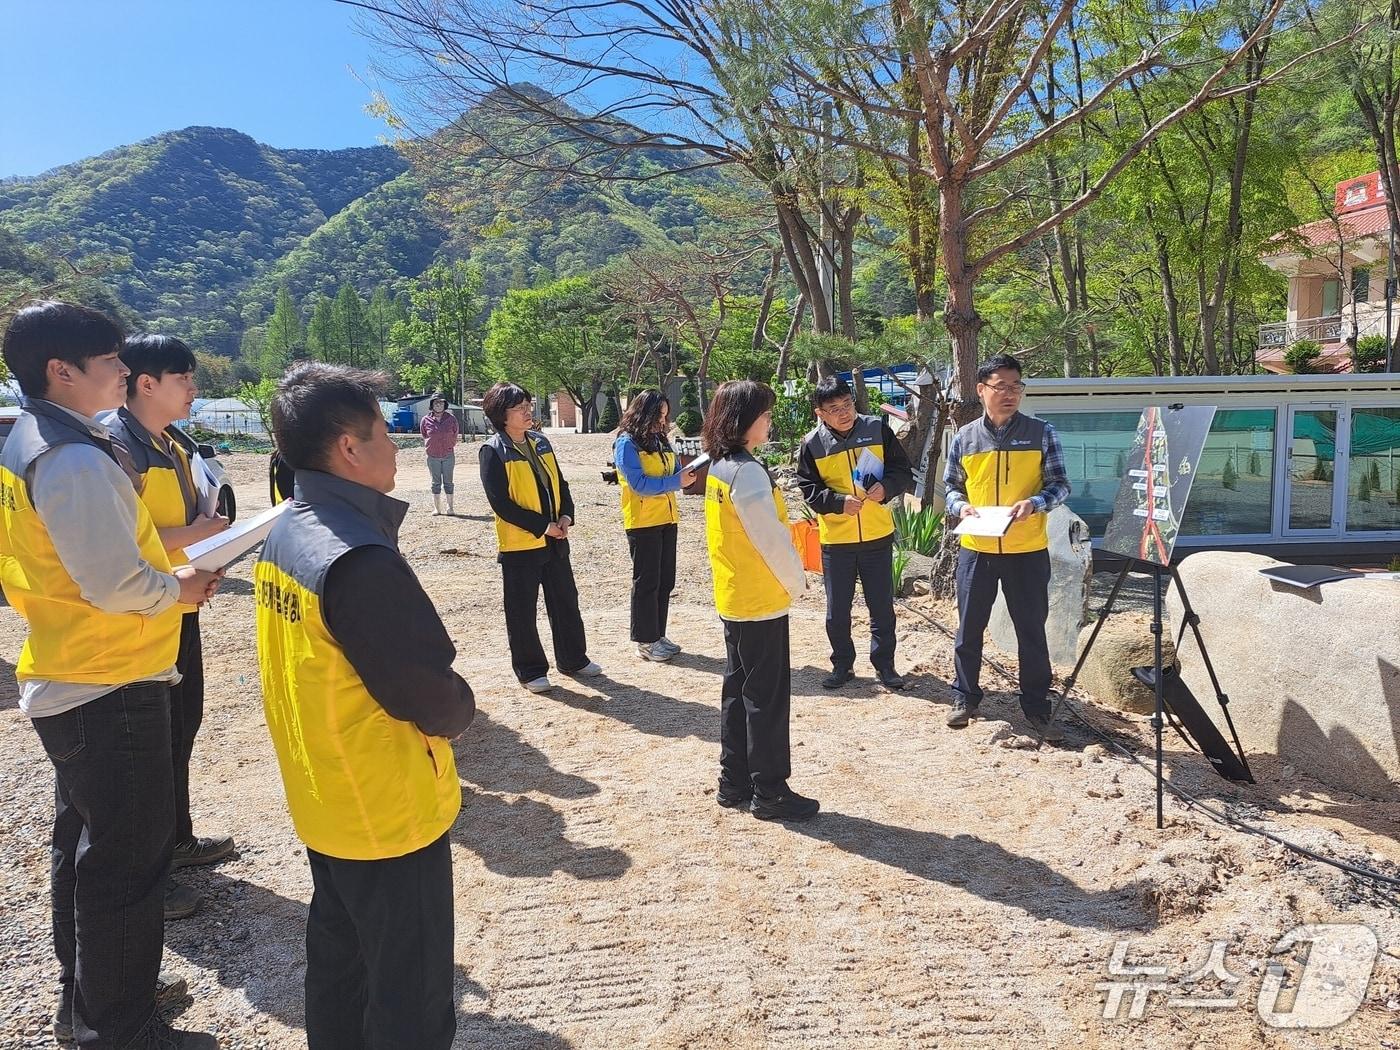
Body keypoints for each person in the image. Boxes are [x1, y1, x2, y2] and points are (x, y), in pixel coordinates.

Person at [0, 302, 221, 1049]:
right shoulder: (73, 457)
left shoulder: (36, 437)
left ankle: (93, 999)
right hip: (110, 679)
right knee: (126, 862)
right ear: (60, 371)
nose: (124, 374)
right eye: (111, 364)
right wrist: (179, 590)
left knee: (85, 850)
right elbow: (115, 582)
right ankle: (121, 1026)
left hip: (74, 669)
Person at [255, 362, 476, 1050]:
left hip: (327, 790)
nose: (397, 446)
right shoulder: (357, 557)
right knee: (409, 993)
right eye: (386, 432)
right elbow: (429, 695)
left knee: (342, 964)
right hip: (385, 806)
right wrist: (460, 709)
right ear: (350, 447)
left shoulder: (289, 527)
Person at [106, 334, 237, 926]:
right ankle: (149, 880)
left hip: (177, 606)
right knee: (145, 751)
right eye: (184, 378)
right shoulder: (115, 447)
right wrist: (201, 533)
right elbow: (117, 548)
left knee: (182, 726)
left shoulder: (171, 442)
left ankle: (177, 842)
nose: (194, 389)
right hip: (139, 617)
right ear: (146, 383)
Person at [702, 380, 818, 821]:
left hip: (735, 594)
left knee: (737, 689)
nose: (769, 422)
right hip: (760, 597)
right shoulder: (748, 472)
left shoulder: (721, 466)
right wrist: (796, 583)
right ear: (743, 421)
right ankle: (770, 790)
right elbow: (771, 540)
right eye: (764, 415)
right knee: (766, 698)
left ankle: (735, 780)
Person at [944, 353, 1071, 740]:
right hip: (977, 548)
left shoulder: (1041, 432)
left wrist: (1035, 503)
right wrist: (959, 506)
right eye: (1001, 386)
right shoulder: (964, 436)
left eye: (1016, 386)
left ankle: (1036, 704)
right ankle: (965, 696)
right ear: (982, 390)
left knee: (1030, 628)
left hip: (1027, 549)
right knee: (969, 627)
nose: (1010, 394)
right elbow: (951, 487)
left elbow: (1061, 485)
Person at [479, 382, 601, 692]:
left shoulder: (541, 442)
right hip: (521, 545)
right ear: (501, 415)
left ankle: (574, 659)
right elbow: (502, 504)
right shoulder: (493, 450)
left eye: (528, 405)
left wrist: (566, 516)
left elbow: (560, 483)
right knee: (522, 610)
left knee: (565, 602)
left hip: (556, 539)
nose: (528, 411)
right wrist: (542, 525)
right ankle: (530, 670)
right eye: (519, 408)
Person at [796, 376, 914, 691]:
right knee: (837, 611)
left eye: (847, 404)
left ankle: (885, 667)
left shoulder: (877, 429)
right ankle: (842, 666)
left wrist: (886, 488)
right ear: (820, 413)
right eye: (834, 409)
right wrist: (836, 502)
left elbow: (902, 471)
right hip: (837, 542)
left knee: (881, 606)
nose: (844, 412)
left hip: (877, 535)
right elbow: (808, 490)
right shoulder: (812, 444)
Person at [613, 390, 697, 662]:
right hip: (643, 522)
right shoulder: (626, 443)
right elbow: (638, 485)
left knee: (665, 580)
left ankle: (657, 634)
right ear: (643, 413)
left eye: (665, 415)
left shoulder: (660, 440)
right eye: (658, 415)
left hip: (667, 519)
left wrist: (686, 475)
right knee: (646, 582)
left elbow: (671, 473)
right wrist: (676, 482)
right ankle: (645, 641)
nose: (663, 421)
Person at [419, 394, 459, 515]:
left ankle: (450, 507)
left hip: (448, 454)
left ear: (445, 405)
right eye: (436, 403)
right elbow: (424, 434)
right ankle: (437, 508)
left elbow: (455, 433)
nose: (438, 405)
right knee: (435, 482)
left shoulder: (451, 419)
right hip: (432, 455)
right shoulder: (425, 420)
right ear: (432, 405)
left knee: (448, 481)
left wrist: (449, 444)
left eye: (441, 403)